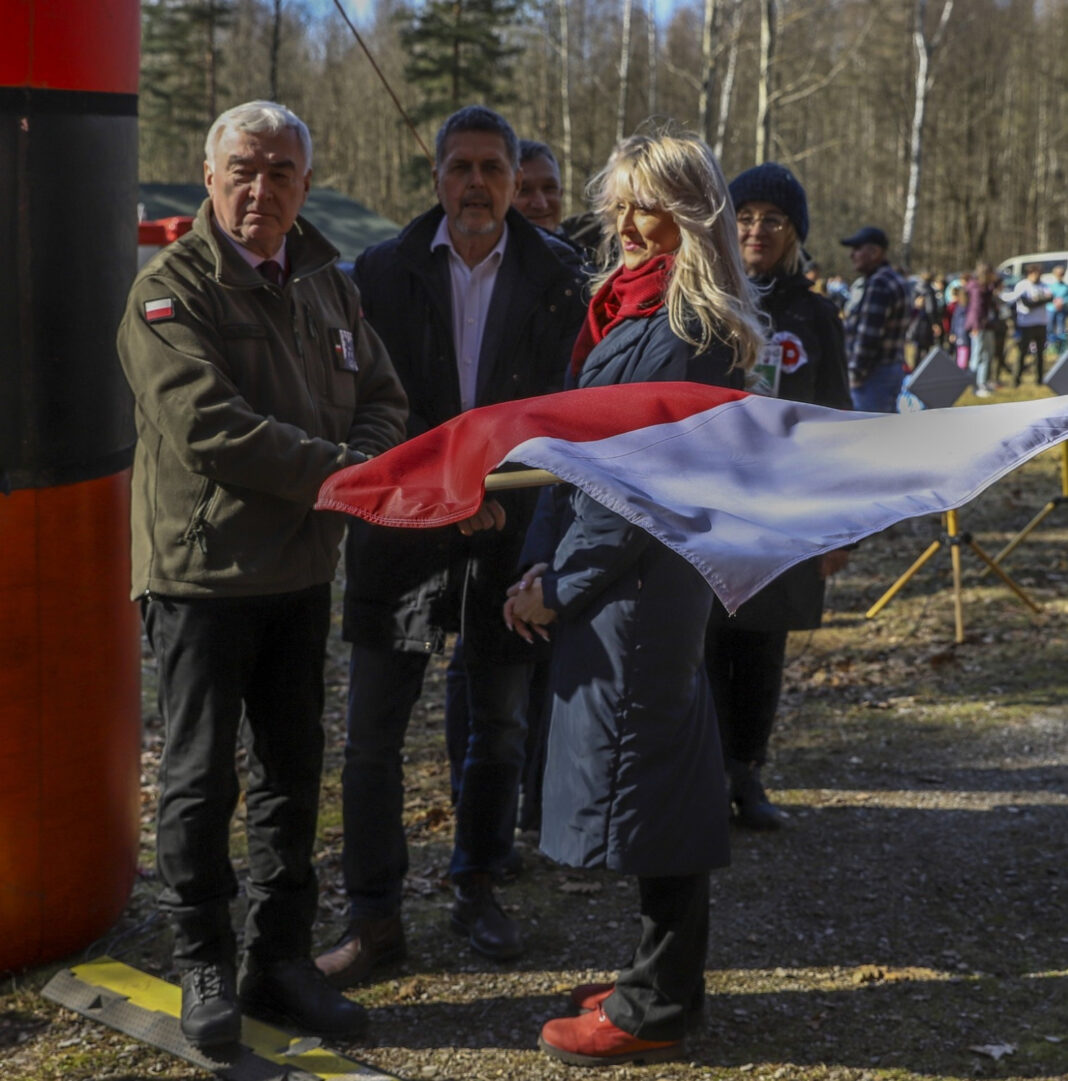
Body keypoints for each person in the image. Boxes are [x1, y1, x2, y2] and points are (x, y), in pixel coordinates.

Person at [116, 100, 408, 1049]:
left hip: (300, 572)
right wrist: (342, 475)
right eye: (243, 168)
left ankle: (278, 959)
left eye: (281, 171)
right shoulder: (169, 290)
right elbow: (208, 427)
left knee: (292, 773)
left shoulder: (328, 285)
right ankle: (204, 959)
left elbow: (383, 394)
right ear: (209, 176)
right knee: (200, 779)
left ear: (305, 186)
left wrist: (362, 461)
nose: (260, 187)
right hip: (204, 575)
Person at [504, 129, 765, 1067]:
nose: (621, 221)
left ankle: (656, 1001)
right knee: (661, 778)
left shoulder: (687, 330)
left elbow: (636, 491)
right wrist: (543, 566)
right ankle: (662, 981)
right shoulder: (635, 310)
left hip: (641, 588)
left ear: (688, 213)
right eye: (616, 202)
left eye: (642, 205)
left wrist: (559, 586)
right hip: (623, 581)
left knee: (650, 785)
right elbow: (578, 454)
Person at [314, 105, 586, 988]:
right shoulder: (380, 272)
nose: (476, 184)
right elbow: (368, 403)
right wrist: (442, 488)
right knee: (372, 736)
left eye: (492, 168)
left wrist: (493, 488)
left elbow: (562, 409)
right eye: (460, 167)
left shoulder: (561, 278)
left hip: (509, 533)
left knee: (498, 723)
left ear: (514, 178)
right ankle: (374, 915)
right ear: (436, 177)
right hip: (400, 531)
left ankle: (478, 882)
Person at [703, 163, 851, 831]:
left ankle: (747, 773)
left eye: (773, 219)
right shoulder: (708, 301)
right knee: (706, 639)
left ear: (795, 232)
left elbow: (838, 415)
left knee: (762, 647)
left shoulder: (815, 314)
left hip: (787, 507)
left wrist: (841, 526)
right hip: (713, 501)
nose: (756, 230)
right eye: (744, 217)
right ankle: (705, 772)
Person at [840, 225, 909, 412]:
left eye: (857, 249)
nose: (852, 255)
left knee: (867, 427)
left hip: (872, 376)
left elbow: (868, 337)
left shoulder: (879, 284)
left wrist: (854, 375)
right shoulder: (895, 279)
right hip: (890, 369)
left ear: (875, 252)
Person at [1000, 264, 1053, 386]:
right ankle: (1016, 379)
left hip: (1041, 323)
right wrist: (1040, 300)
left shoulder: (1043, 285)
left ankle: (1040, 379)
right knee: (1022, 352)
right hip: (1026, 324)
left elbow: (1050, 298)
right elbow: (1027, 303)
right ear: (1030, 273)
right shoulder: (1022, 285)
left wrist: (1037, 300)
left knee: (1040, 353)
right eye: (1036, 273)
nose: (1038, 276)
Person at [965, 262, 999, 396]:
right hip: (978, 326)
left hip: (987, 325)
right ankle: (974, 386)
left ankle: (982, 382)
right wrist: (975, 326)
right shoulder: (976, 288)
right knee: (977, 355)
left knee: (987, 355)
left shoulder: (987, 287)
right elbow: (975, 309)